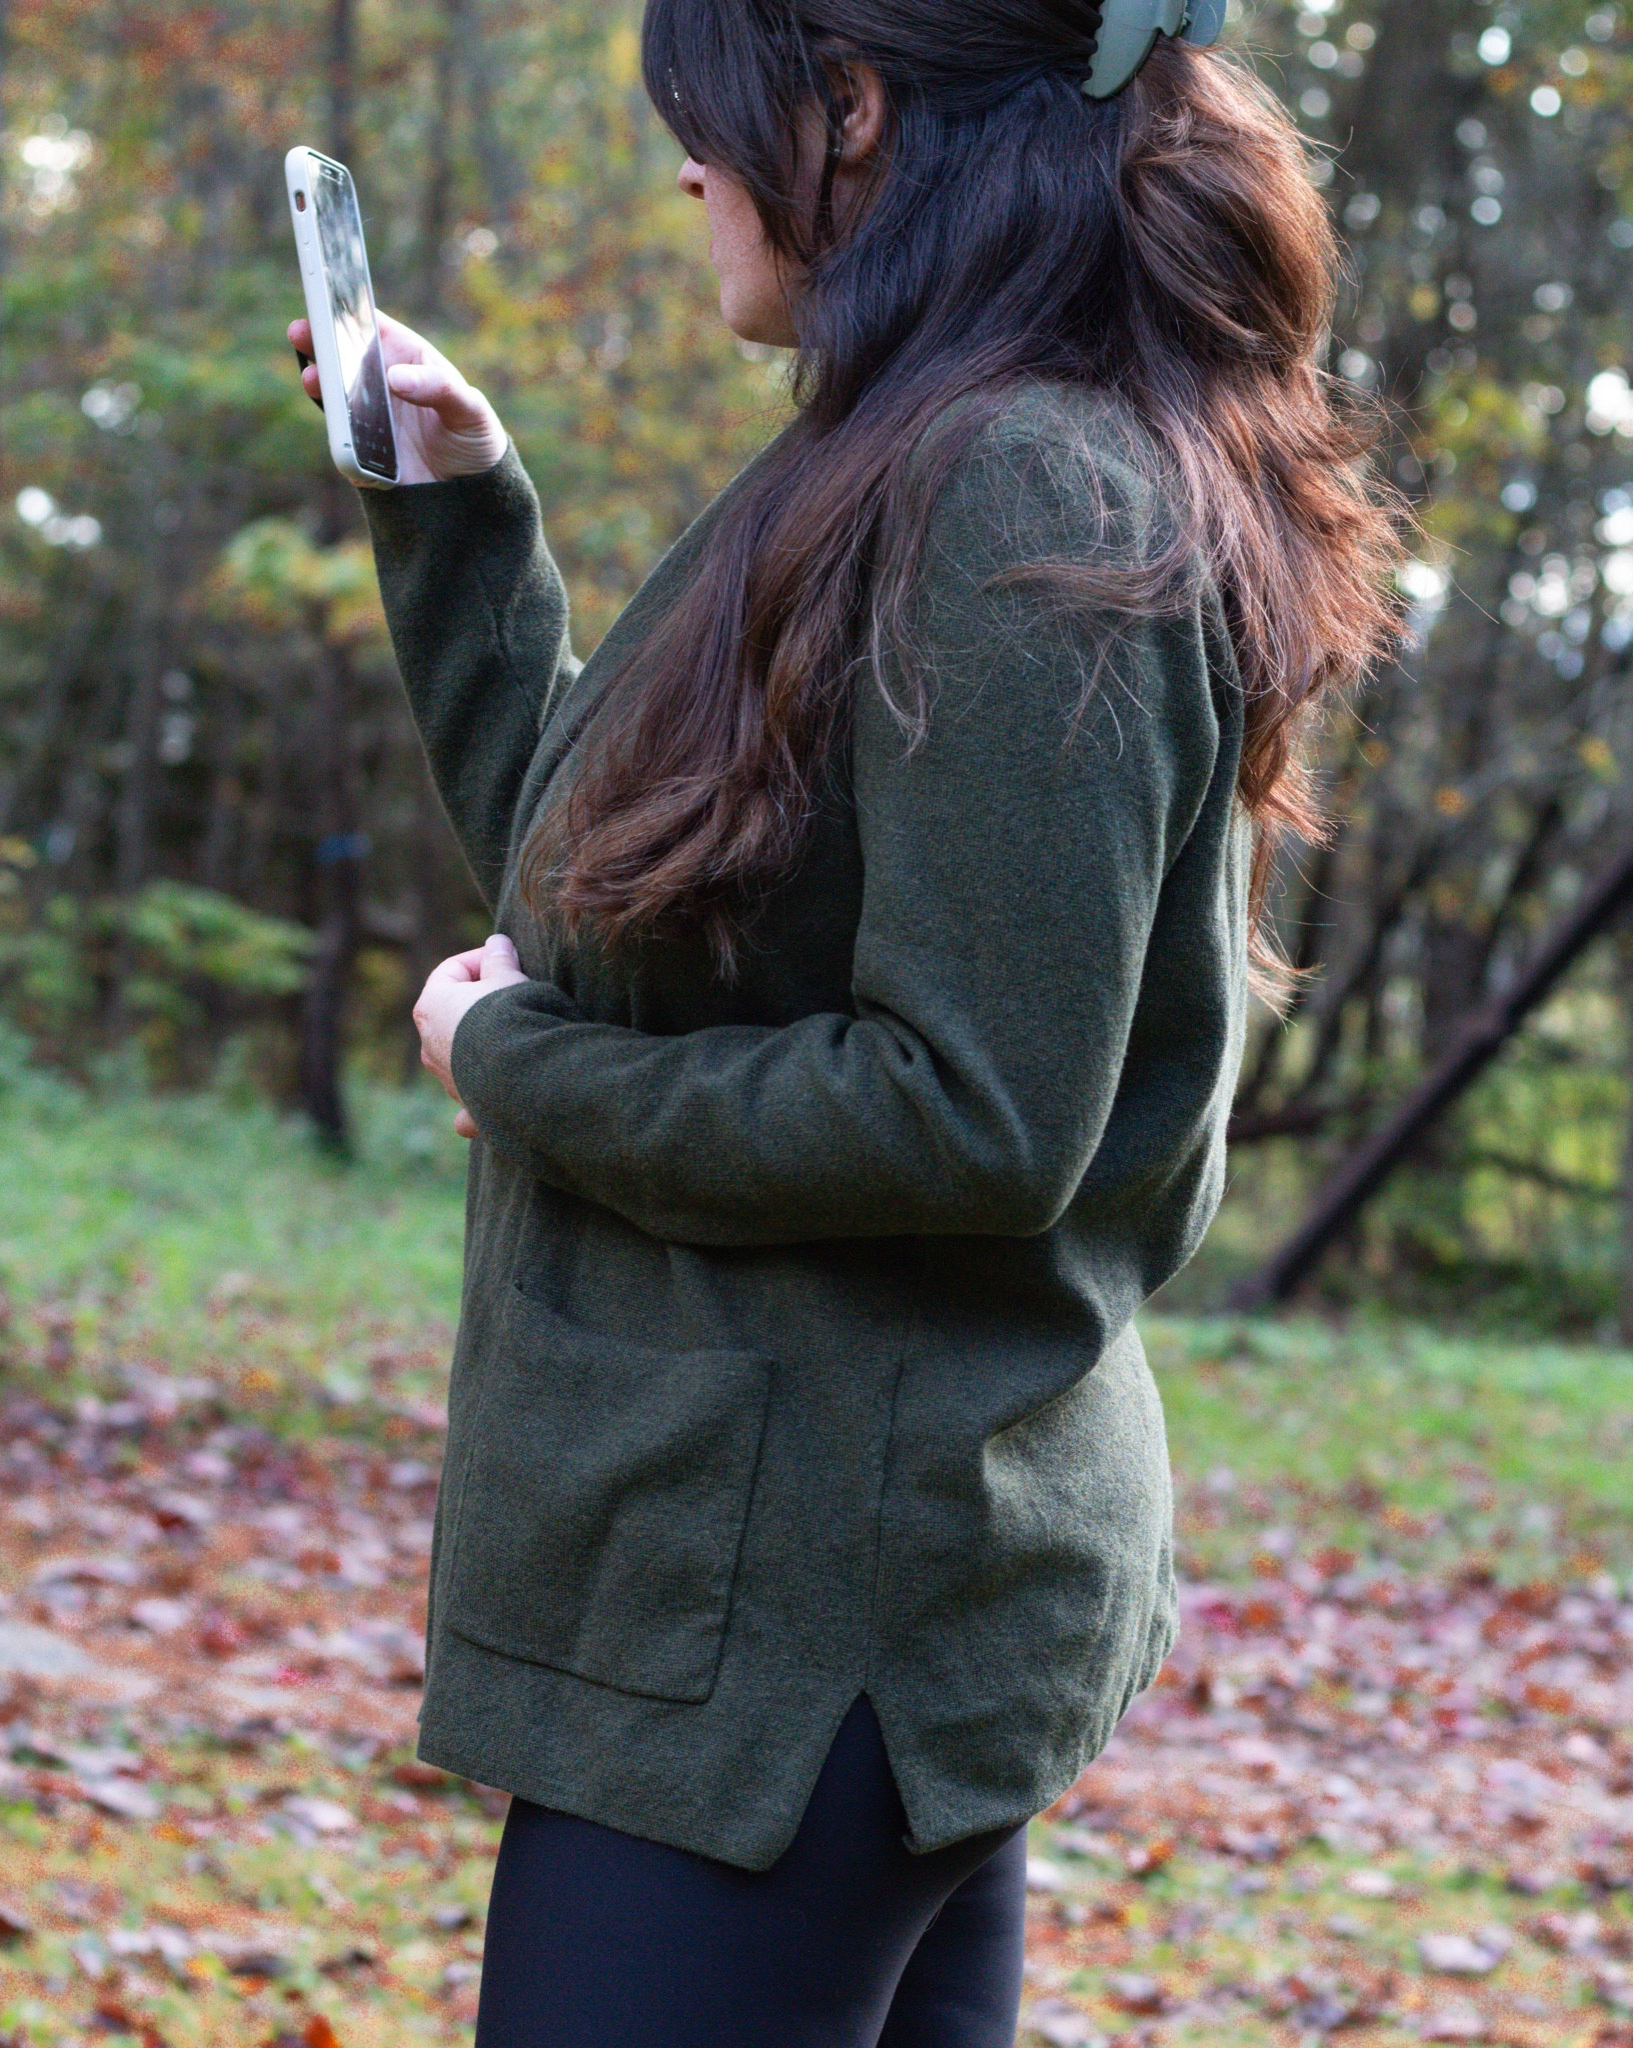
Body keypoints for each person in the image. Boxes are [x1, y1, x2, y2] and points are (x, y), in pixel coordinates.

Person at [290, 2, 1401, 2040]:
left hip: (802, 1627)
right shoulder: (906, 447)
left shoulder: (1016, 483)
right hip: (812, 1595)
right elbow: (613, 901)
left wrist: (512, 1068)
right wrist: (461, 519)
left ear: (855, 108)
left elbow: (971, 1107)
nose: (686, 166)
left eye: (703, 119)